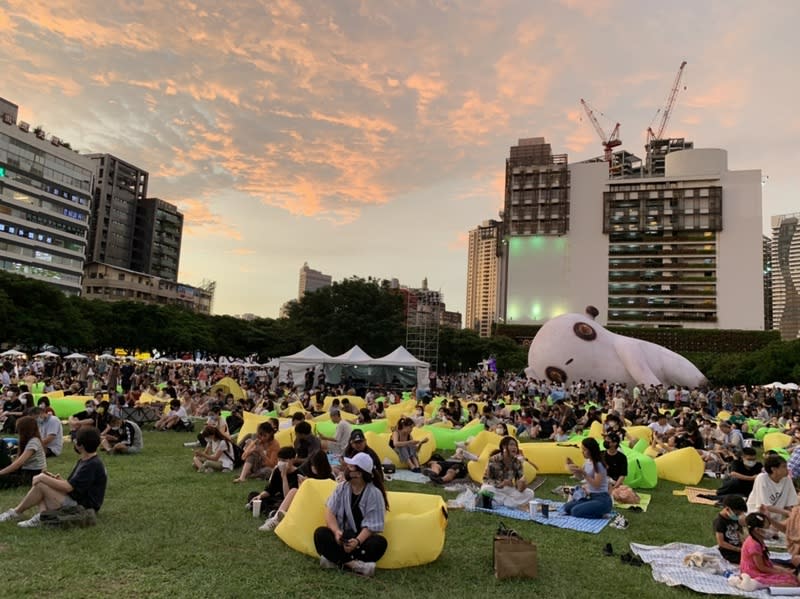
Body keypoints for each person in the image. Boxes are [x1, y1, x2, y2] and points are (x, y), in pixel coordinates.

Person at [0, 426, 107, 528]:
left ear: (81, 446)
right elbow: (74, 485)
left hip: (83, 508)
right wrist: (56, 480)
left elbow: (68, 487)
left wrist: (43, 477)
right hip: (76, 499)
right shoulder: (86, 460)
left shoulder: (92, 464)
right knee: (41, 484)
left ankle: (22, 513)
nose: (74, 443)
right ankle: (35, 515)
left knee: (41, 484)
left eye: (75, 441)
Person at [313, 452, 389, 577]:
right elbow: (329, 511)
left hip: (361, 542)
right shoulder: (342, 488)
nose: (347, 468)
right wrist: (336, 532)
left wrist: (357, 541)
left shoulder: (374, 494)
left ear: (359, 473)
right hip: (341, 538)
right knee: (320, 534)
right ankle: (354, 565)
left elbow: (371, 525)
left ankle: (335, 561)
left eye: (351, 467)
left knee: (379, 543)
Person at [260, 449, 335, 531]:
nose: (313, 467)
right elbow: (271, 488)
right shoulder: (306, 471)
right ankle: (275, 519)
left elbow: (329, 494)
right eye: (312, 465)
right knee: (294, 490)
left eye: (316, 465)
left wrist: (310, 483)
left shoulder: (330, 477)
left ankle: (279, 515)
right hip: (306, 501)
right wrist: (302, 485)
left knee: (289, 493)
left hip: (321, 503)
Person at [740, 512, 800, 587]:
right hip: (753, 572)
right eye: (768, 527)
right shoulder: (754, 545)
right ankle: (755, 583)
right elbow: (761, 567)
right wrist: (780, 572)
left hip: (758, 569)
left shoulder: (758, 540)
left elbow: (766, 564)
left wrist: (783, 570)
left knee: (791, 576)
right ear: (758, 530)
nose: (771, 530)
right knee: (791, 582)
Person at [564, 437, 613, 519]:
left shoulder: (598, 464)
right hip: (591, 497)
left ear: (591, 450)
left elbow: (596, 485)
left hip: (602, 499)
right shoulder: (587, 462)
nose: (582, 452)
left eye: (584, 450)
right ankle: (592, 508)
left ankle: (601, 514)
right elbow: (580, 478)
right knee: (567, 507)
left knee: (575, 511)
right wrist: (573, 466)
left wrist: (584, 473)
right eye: (582, 449)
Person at [480, 436, 535, 509]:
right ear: (504, 447)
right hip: (495, 488)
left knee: (530, 493)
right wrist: (500, 483)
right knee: (485, 490)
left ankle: (499, 503)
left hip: (509, 489)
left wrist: (522, 484)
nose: (514, 447)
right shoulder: (494, 459)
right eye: (511, 445)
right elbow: (486, 479)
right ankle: (509, 503)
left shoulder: (518, 462)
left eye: (516, 445)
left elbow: (519, 483)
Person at [0, 416, 46, 489]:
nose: (17, 431)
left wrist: (1, 472)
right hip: (24, 472)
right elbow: (17, 461)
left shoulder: (33, 442)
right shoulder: (28, 441)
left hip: (30, 476)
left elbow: (18, 464)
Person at [713, 495, 748, 564]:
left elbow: (740, 532)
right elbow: (721, 543)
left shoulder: (734, 518)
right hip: (728, 552)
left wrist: (745, 544)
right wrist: (739, 550)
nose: (738, 516)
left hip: (739, 547)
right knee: (749, 561)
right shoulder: (719, 522)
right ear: (727, 509)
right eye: (737, 514)